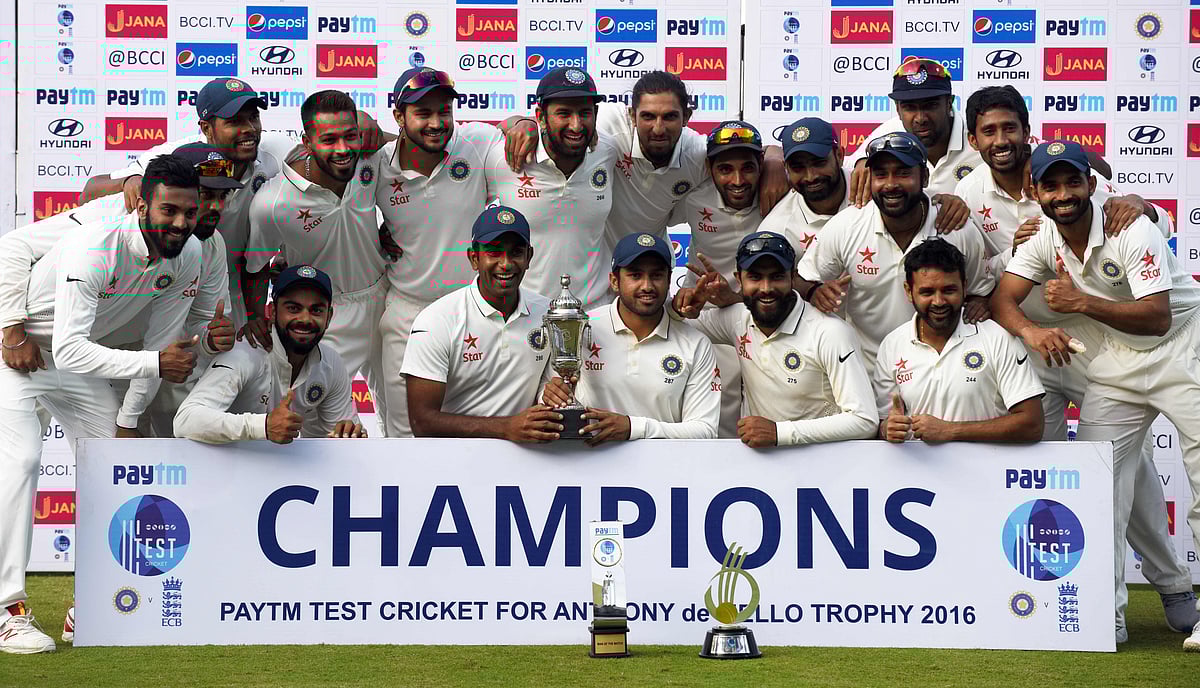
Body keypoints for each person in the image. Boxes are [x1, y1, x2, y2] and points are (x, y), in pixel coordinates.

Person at [957, 89, 1198, 636]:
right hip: (1068, 351)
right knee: (1095, 478)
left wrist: (1082, 299)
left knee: (1171, 475)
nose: (1063, 193)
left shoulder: (1115, 212)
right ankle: (1101, 615)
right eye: (1051, 185)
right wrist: (1035, 329)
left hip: (1157, 342)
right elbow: (1001, 297)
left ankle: (1174, 586)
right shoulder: (974, 197)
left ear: (1091, 183)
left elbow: (1157, 311)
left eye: (1073, 182)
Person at [0, 155, 204, 654]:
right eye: (168, 211)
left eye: (188, 213)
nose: (178, 224)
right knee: (22, 459)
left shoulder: (190, 255)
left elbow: (161, 342)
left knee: (119, 465)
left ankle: (96, 603)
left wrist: (129, 419)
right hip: (20, 356)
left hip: (80, 366)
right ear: (142, 207)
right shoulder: (96, 245)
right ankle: (8, 611)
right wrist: (10, 327)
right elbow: (82, 347)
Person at [85, 77, 387, 335]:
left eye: (252, 118)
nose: (248, 129)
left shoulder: (273, 150)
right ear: (206, 127)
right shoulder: (177, 157)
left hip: (232, 288)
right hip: (166, 284)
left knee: (232, 375)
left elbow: (330, 146)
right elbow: (90, 189)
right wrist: (128, 181)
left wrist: (363, 122)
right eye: (234, 122)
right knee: (158, 371)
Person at [1, 143, 241, 436]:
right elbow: (14, 246)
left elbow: (189, 329)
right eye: (206, 196)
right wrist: (12, 330)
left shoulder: (207, 246)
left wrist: (209, 339)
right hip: (30, 343)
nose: (215, 207)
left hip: (100, 357)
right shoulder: (107, 221)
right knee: (20, 460)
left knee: (115, 454)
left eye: (222, 196)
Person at [796, 132, 994, 381]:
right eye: (880, 174)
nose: (890, 184)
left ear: (923, 177)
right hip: (868, 375)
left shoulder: (957, 227)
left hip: (945, 374)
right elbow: (801, 278)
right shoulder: (846, 226)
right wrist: (815, 292)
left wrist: (979, 304)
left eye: (903, 173)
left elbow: (981, 291)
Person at [243, 90, 388, 427]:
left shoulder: (368, 158)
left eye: (350, 136)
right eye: (329, 140)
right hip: (328, 313)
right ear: (307, 142)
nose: (342, 149)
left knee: (400, 417)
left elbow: (409, 146)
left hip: (385, 301)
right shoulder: (273, 203)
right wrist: (253, 315)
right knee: (313, 425)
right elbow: (254, 265)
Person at [375, 67, 503, 438]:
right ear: (399, 117)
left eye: (444, 112)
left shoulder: (476, 142)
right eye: (423, 113)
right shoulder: (377, 164)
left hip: (472, 310)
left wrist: (521, 121)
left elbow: (517, 130)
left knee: (478, 427)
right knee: (404, 433)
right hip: (407, 312)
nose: (436, 123)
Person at [674, 231, 878, 447]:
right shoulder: (738, 318)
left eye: (777, 276)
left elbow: (864, 420)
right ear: (738, 279)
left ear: (793, 277)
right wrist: (679, 307)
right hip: (763, 468)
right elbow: (677, 325)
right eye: (755, 277)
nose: (766, 288)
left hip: (823, 469)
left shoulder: (830, 332)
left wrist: (779, 432)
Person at [401, 206, 560, 441]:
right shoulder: (437, 320)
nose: (506, 264)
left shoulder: (551, 314)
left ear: (529, 257)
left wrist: (552, 393)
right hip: (456, 461)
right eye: (494, 253)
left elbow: (549, 387)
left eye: (516, 252)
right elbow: (422, 421)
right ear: (474, 258)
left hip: (528, 458)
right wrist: (505, 428)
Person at [542, 233, 720, 443]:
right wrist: (550, 397)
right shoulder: (581, 326)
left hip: (662, 471)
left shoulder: (696, 344)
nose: (647, 286)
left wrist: (633, 428)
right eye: (635, 275)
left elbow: (705, 430)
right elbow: (546, 396)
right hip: (587, 466)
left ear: (669, 280)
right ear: (614, 281)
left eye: (656, 275)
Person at [876, 239, 1044, 443]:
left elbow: (1033, 424)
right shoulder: (892, 345)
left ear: (964, 287)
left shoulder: (997, 337)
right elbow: (882, 422)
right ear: (909, 291)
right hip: (915, 473)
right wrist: (887, 429)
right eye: (927, 292)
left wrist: (950, 431)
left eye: (949, 290)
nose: (938, 302)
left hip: (985, 472)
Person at [175, 265, 364, 443]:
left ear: (329, 317)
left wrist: (347, 436)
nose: (305, 319)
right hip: (224, 468)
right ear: (272, 311)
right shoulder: (245, 353)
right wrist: (263, 426)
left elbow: (331, 439)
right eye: (293, 308)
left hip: (283, 473)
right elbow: (185, 420)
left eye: (316, 310)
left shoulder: (331, 363)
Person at [484, 67, 621, 309]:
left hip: (596, 312)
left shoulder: (609, 152)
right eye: (564, 113)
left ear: (596, 114)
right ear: (540, 116)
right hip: (525, 312)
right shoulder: (502, 157)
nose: (576, 126)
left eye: (585, 113)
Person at [842, 58, 980, 220]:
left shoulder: (978, 139)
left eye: (930, 105)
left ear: (949, 103)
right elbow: (849, 166)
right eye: (910, 107)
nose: (920, 118)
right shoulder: (890, 131)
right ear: (898, 109)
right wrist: (863, 161)